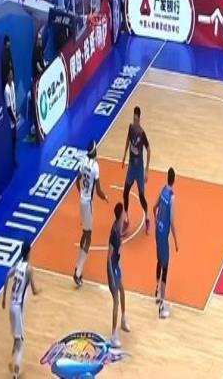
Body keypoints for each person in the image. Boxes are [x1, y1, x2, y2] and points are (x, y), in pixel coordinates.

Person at [2, 242, 40, 379]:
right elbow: (34, 291)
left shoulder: (17, 265)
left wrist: (3, 299)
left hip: (11, 307)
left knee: (16, 338)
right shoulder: (29, 269)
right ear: (29, 252)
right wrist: (40, 290)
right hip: (18, 308)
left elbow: (7, 276)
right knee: (20, 343)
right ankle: (15, 373)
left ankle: (13, 359)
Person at [73, 140, 109, 287]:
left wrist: (81, 193)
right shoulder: (95, 167)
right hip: (87, 203)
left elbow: (77, 181)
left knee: (84, 233)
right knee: (89, 238)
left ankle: (77, 268)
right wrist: (105, 197)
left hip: (81, 201)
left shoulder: (83, 162)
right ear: (94, 151)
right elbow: (98, 191)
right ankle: (78, 272)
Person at [153, 167, 179, 319]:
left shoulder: (163, 190)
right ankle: (161, 306)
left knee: (159, 261)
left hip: (158, 230)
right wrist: (176, 241)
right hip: (163, 236)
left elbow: (154, 207)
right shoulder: (172, 197)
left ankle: (156, 290)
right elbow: (172, 222)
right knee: (165, 267)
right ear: (174, 180)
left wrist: (156, 220)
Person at [121, 106, 151, 232]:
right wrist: (124, 156)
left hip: (139, 169)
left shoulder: (142, 134)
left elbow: (149, 150)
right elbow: (128, 140)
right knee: (125, 192)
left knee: (141, 196)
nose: (135, 121)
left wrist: (146, 170)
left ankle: (147, 217)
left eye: (136, 120)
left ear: (139, 119)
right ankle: (126, 219)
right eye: (133, 119)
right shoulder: (131, 128)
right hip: (131, 167)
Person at [107, 202, 130, 348]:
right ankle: (113, 335)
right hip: (112, 267)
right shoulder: (114, 232)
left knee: (122, 290)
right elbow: (109, 256)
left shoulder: (118, 226)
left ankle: (123, 320)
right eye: (124, 212)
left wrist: (123, 235)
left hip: (116, 265)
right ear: (121, 214)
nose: (125, 214)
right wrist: (111, 276)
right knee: (116, 300)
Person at [4, 68, 18, 165]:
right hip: (9, 120)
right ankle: (11, 160)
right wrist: (13, 119)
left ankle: (13, 159)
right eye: (10, 74)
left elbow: (13, 101)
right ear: (7, 76)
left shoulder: (12, 84)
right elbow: (8, 107)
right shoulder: (6, 90)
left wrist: (16, 114)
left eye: (12, 74)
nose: (12, 76)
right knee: (11, 140)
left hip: (14, 116)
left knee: (14, 140)